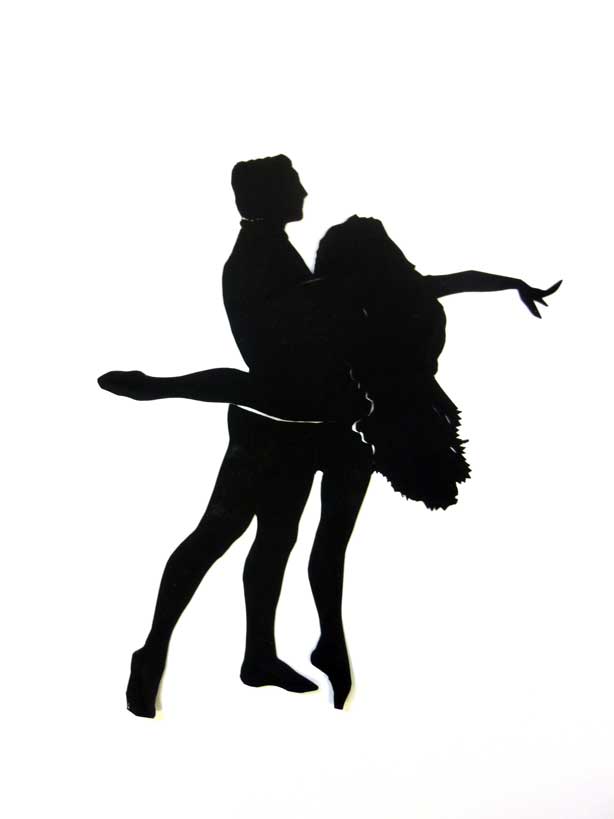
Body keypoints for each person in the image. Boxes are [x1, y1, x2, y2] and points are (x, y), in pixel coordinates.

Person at [104, 156, 372, 717]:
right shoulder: (256, 260)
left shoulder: (272, 251)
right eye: (294, 184)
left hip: (296, 428)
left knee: (275, 538)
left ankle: (259, 656)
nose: (305, 192)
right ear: (269, 196)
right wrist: (161, 387)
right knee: (217, 535)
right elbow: (265, 366)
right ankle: (152, 650)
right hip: (267, 425)